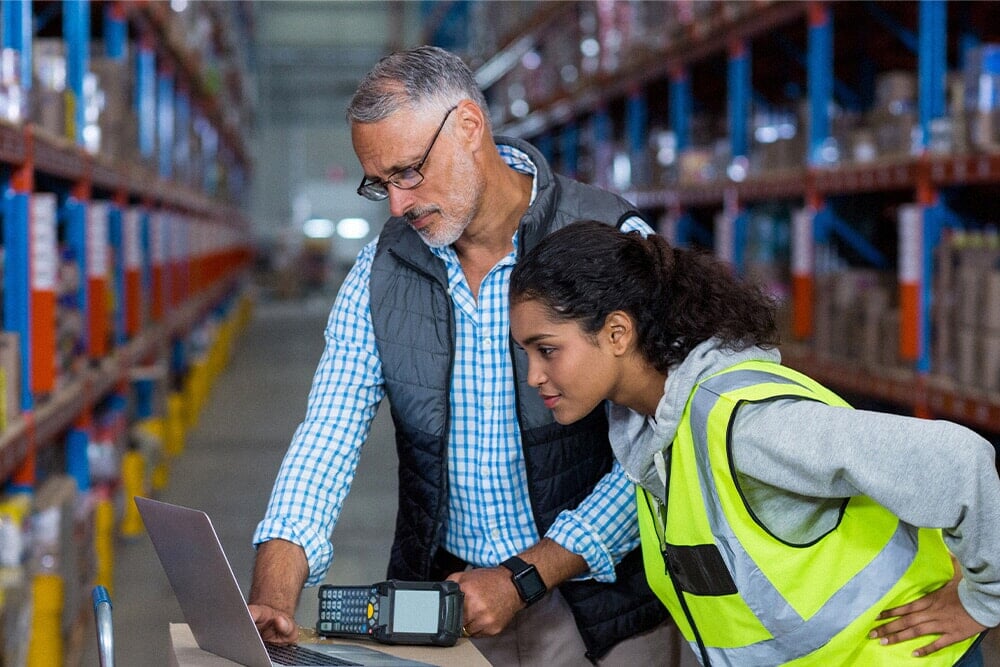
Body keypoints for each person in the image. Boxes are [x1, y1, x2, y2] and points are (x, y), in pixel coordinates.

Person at [248, 46, 698, 666]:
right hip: (449, 607)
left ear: (467, 126)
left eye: (408, 172)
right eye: (380, 185)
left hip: (601, 607)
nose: (398, 205)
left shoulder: (611, 239)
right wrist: (276, 582)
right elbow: (327, 432)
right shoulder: (382, 271)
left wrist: (529, 573)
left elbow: (666, 434)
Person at [508, 220, 1000, 666]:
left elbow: (961, 461)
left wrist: (983, 602)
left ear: (617, 332)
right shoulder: (655, 431)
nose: (534, 376)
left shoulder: (744, 425)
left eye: (547, 350)